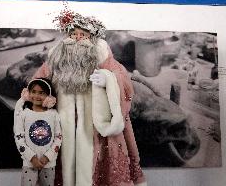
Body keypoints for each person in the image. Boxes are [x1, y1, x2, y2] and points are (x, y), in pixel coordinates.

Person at [32, 10, 147, 186]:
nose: (77, 38)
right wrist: (45, 96)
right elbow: (39, 81)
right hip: (63, 122)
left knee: (96, 157)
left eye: (82, 34)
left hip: (95, 121)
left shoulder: (101, 54)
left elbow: (122, 76)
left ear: (91, 37)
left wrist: (108, 79)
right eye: (73, 34)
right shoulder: (56, 57)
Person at [14, 78, 62, 186]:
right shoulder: (24, 114)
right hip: (29, 163)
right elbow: (19, 138)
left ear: (49, 97)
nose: (37, 96)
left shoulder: (53, 114)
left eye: (41, 93)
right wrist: (31, 158)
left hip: (48, 163)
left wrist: (48, 157)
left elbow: (58, 138)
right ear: (28, 94)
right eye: (33, 92)